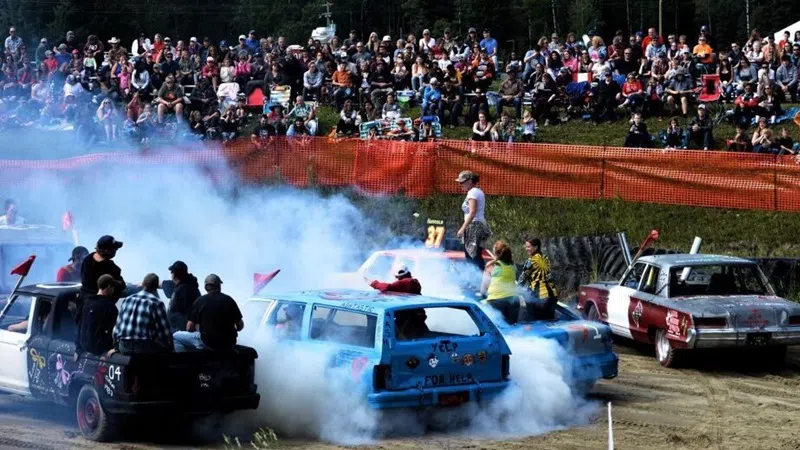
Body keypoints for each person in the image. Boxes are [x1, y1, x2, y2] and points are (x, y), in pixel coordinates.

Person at [173, 274, 243, 352]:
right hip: (229, 344)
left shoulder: (200, 301)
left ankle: (183, 361)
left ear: (205, 287)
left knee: (175, 336)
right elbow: (240, 326)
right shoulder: (229, 300)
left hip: (208, 343)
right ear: (219, 286)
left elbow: (189, 328)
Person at [113, 273, 173, 354]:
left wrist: (116, 346)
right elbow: (165, 332)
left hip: (123, 346)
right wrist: (171, 347)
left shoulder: (127, 300)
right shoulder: (156, 303)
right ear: (156, 288)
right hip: (143, 348)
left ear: (143, 284)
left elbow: (116, 328)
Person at [76, 274, 123, 356]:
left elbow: (79, 324)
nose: (113, 290)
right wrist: (109, 349)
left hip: (83, 349)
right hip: (100, 352)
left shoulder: (87, 302)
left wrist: (78, 348)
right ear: (108, 287)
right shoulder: (110, 307)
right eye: (113, 287)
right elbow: (112, 331)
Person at [478, 241, 521, 324]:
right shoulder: (512, 265)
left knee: (498, 329)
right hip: (514, 301)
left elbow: (484, 288)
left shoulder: (491, 265)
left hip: (496, 302)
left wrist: (482, 294)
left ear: (495, 252)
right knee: (512, 330)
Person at [456, 170, 491, 272]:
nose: (460, 184)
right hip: (476, 226)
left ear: (470, 181)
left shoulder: (473, 192)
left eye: (462, 182)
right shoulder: (475, 192)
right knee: (473, 255)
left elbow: (472, 212)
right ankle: (477, 280)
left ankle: (478, 281)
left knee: (473, 257)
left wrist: (462, 229)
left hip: (474, 226)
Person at [517, 237, 558, 321]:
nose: (526, 248)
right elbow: (547, 275)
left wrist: (516, 289)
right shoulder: (545, 258)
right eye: (526, 246)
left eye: (528, 247)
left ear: (536, 247)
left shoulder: (531, 260)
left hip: (539, 297)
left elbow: (522, 278)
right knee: (550, 323)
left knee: (535, 324)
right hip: (552, 295)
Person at [80, 235, 125, 301]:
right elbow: (121, 285)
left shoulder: (87, 259)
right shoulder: (111, 267)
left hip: (84, 300)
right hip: (102, 303)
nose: (116, 250)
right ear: (108, 251)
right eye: (115, 248)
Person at [166, 261, 201, 332]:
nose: (171, 274)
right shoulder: (184, 286)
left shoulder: (184, 289)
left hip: (180, 330)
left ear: (174, 274)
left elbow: (188, 312)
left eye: (171, 272)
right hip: (178, 329)